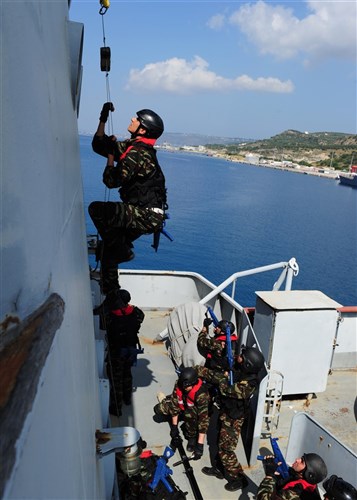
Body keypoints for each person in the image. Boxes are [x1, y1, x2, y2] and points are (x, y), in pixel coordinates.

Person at [89, 102, 167, 306]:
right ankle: (112, 298)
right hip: (145, 214)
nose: (132, 119)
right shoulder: (134, 147)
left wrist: (111, 159)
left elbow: (111, 181)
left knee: (96, 209)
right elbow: (100, 145)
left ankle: (123, 251)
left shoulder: (138, 154)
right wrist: (103, 118)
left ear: (143, 129)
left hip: (145, 214)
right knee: (109, 249)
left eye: (136, 119)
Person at [197, 346, 265, 492]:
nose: (238, 356)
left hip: (233, 420)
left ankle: (239, 478)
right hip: (226, 413)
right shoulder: (242, 370)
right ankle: (219, 469)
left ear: (247, 365)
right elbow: (230, 366)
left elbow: (225, 389)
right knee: (217, 443)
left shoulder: (248, 385)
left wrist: (225, 378)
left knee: (226, 450)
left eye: (242, 356)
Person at [153, 367, 210, 459]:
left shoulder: (201, 395)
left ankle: (191, 437)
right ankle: (165, 400)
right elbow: (175, 406)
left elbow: (203, 420)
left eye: (187, 386)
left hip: (193, 408)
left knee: (191, 418)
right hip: (183, 403)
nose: (185, 388)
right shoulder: (179, 384)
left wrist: (200, 445)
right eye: (183, 386)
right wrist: (174, 428)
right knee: (158, 409)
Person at [104, 289, 145, 417]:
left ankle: (117, 408)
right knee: (127, 374)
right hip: (130, 350)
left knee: (116, 380)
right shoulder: (136, 312)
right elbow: (140, 318)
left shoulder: (110, 315)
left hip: (117, 352)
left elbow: (105, 325)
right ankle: (127, 399)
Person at [257, 453, 328, 499]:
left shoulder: (296, 492)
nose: (297, 460)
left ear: (308, 474)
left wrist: (269, 476)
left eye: (302, 461)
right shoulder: (310, 485)